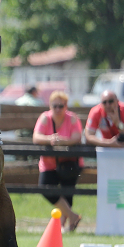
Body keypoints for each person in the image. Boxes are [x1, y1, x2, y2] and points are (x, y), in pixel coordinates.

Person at [32, 91, 83, 232]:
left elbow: (77, 137)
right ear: (50, 106)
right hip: (48, 163)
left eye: (61, 106)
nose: (58, 109)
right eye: (55, 106)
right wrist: (51, 139)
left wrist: (61, 141)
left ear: (66, 106)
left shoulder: (72, 119)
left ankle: (64, 226)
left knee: (67, 194)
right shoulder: (44, 118)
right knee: (45, 188)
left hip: (69, 163)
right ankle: (72, 217)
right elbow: (36, 137)